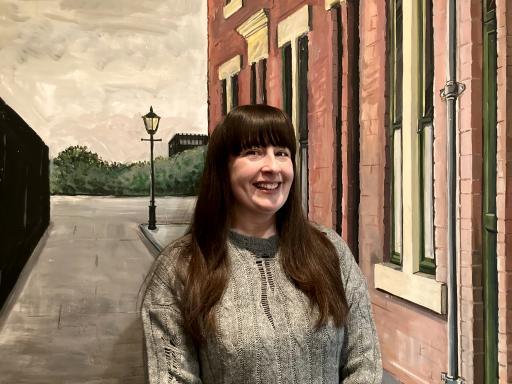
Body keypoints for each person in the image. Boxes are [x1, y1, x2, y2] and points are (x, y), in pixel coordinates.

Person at [141, 104, 382, 383]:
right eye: (253, 152)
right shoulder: (179, 268)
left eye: (281, 153)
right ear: (223, 168)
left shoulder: (330, 251)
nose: (272, 166)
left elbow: (364, 362)